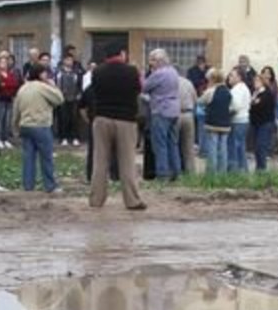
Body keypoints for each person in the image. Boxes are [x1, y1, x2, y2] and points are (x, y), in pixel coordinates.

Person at [88, 44, 146, 210]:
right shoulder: (131, 71)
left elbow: (94, 92)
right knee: (127, 161)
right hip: (126, 119)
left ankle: (96, 200)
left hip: (102, 118)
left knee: (100, 161)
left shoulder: (97, 71)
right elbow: (138, 90)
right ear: (122, 54)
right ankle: (132, 200)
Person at [13, 65, 65, 193]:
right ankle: (50, 185)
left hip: (25, 125)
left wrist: (15, 127)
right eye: (46, 73)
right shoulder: (42, 87)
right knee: (46, 157)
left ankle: (28, 185)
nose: (47, 76)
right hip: (40, 125)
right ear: (41, 74)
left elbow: (16, 110)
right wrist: (53, 86)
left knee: (28, 157)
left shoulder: (23, 88)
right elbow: (59, 99)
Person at [143, 49, 182, 182]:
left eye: (152, 60)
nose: (150, 63)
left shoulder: (158, 73)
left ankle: (162, 174)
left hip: (161, 110)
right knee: (173, 143)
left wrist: (146, 74)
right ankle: (176, 172)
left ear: (159, 61)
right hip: (174, 110)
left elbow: (144, 87)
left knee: (160, 144)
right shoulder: (173, 71)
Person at [200, 68, 232, 174]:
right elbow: (232, 107)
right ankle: (222, 172)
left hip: (212, 123)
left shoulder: (210, 91)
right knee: (224, 148)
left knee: (212, 148)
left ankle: (211, 172)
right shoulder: (228, 91)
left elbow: (201, 101)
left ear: (212, 80)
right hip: (225, 123)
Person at [249, 74, 277, 172]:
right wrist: (253, 103)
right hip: (255, 123)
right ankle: (258, 167)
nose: (255, 83)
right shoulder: (254, 93)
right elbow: (252, 106)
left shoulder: (267, 93)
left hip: (265, 123)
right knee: (256, 147)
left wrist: (254, 103)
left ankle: (262, 168)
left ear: (262, 82)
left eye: (258, 81)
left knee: (261, 146)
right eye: (254, 81)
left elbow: (260, 105)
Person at [228, 69, 252, 172]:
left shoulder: (237, 89)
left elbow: (236, 106)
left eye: (232, 75)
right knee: (241, 146)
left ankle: (236, 170)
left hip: (237, 121)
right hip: (243, 120)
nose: (230, 78)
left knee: (235, 146)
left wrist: (227, 112)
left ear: (239, 77)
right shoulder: (243, 88)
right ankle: (243, 169)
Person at [54, 56, 82, 146]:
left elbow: (80, 84)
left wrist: (79, 94)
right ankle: (63, 137)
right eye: (67, 59)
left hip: (74, 98)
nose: (69, 61)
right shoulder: (59, 72)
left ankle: (75, 137)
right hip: (62, 97)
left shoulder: (77, 72)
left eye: (71, 60)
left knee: (74, 118)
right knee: (63, 118)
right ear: (63, 61)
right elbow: (56, 84)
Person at [0, 56, 21, 150]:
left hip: (9, 99)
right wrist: (6, 85)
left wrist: (6, 84)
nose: (4, 64)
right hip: (1, 99)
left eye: (5, 62)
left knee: (8, 120)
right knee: (1, 120)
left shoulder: (10, 73)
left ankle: (6, 139)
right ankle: (0, 139)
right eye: (2, 62)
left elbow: (14, 84)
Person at [178, 75, 197, 174]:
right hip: (188, 114)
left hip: (175, 114)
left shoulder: (170, 82)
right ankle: (190, 171)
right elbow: (195, 99)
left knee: (175, 144)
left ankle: (178, 169)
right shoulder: (188, 83)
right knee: (189, 145)